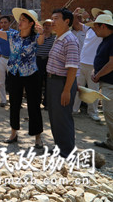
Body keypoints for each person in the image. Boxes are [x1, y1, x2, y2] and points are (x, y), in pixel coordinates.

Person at [0, 8, 43, 147]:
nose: (20, 22)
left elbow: (41, 41)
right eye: (20, 20)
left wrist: (41, 32)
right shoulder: (13, 35)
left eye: (23, 20)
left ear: (31, 24)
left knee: (34, 106)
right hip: (14, 73)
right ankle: (13, 133)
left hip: (31, 75)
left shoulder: (35, 37)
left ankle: (38, 138)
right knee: (14, 104)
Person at [45, 8, 79, 158]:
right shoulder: (58, 38)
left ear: (67, 21)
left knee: (63, 117)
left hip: (63, 83)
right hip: (53, 82)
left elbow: (72, 68)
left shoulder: (70, 40)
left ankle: (67, 151)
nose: (52, 22)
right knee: (55, 116)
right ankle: (59, 147)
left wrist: (66, 90)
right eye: (52, 18)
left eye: (56, 19)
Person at [72, 8, 109, 121]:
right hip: (82, 64)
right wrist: (74, 15)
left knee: (94, 91)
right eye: (97, 15)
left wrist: (87, 18)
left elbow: (96, 26)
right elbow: (76, 24)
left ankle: (93, 112)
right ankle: (73, 110)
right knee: (78, 88)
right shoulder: (89, 29)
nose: (97, 17)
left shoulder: (104, 32)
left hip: (94, 66)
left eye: (100, 15)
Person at [88, 14, 113, 150]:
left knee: (110, 114)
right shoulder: (106, 40)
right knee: (109, 114)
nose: (94, 29)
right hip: (106, 83)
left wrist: (98, 74)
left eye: (96, 27)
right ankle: (110, 141)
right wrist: (95, 71)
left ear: (103, 26)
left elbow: (111, 64)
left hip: (111, 85)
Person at [36, 19, 55, 109]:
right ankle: (37, 101)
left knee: (48, 82)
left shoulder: (54, 38)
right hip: (38, 60)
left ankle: (46, 102)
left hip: (49, 60)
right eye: (45, 25)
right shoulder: (38, 36)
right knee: (37, 82)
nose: (47, 27)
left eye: (49, 25)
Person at [0, 15, 11, 107]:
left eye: (5, 22)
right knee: (0, 81)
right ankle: (3, 100)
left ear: (9, 23)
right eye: (2, 22)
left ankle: (15, 100)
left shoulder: (15, 33)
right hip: (0, 59)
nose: (3, 24)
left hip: (12, 60)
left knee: (13, 81)